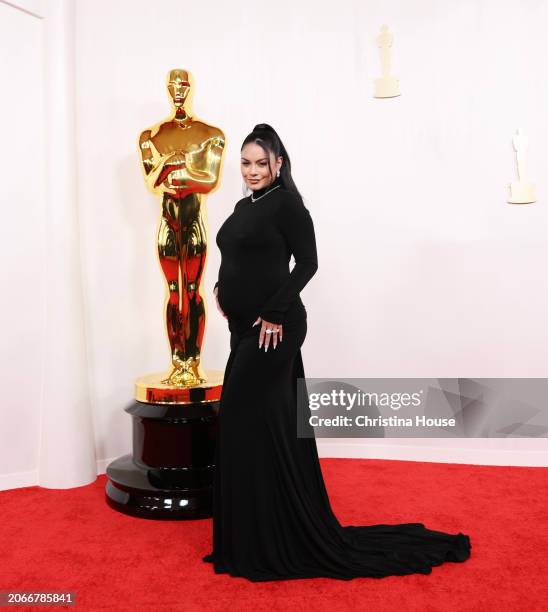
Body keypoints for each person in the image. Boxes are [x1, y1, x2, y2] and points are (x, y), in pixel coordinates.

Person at [202, 123, 472, 582]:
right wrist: (222, 289)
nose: (251, 171)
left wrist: (272, 312)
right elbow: (239, 259)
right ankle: (254, 535)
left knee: (251, 421)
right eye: (245, 163)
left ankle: (274, 540)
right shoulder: (242, 206)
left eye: (260, 163)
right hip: (242, 329)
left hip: (276, 330)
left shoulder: (287, 204)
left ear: (278, 164)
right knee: (250, 426)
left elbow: (308, 262)